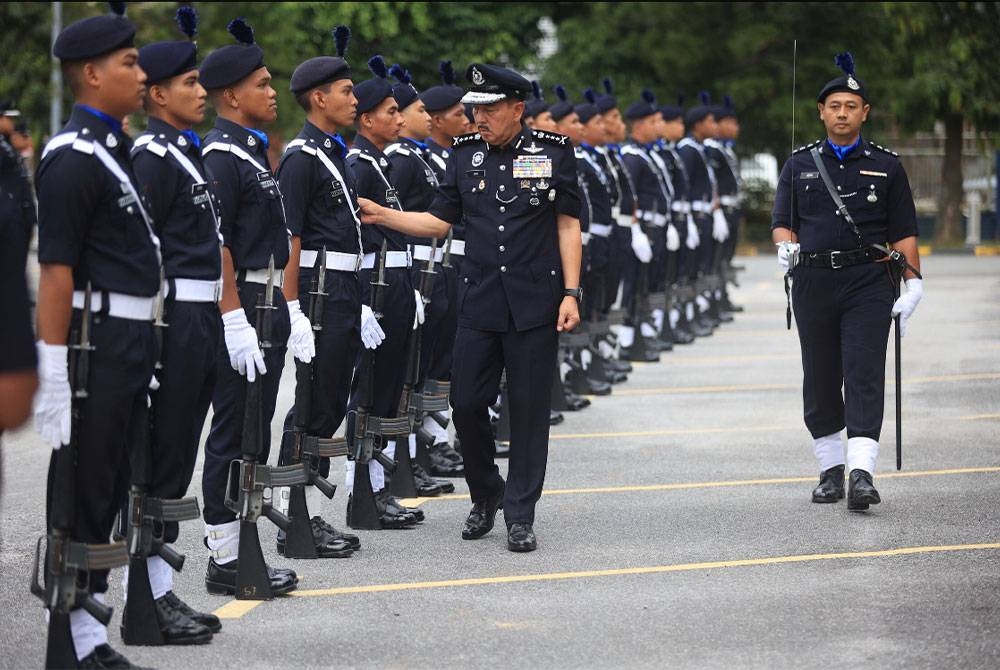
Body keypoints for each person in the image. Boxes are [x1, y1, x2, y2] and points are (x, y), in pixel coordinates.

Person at [358, 63, 582, 553]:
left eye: (490, 108)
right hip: (479, 301)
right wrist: (382, 214)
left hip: (534, 303)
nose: (479, 117)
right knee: (465, 403)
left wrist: (572, 292)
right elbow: (439, 222)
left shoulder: (552, 153)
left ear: (518, 109)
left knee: (526, 412)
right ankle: (487, 493)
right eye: (474, 109)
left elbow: (567, 225)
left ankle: (520, 512)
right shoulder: (464, 157)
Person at [34, 5, 158, 666]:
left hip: (128, 340)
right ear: (91, 74)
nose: (141, 74)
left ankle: (88, 631)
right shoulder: (73, 156)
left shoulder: (116, 147)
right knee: (85, 488)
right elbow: (56, 270)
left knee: (110, 485)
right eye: (129, 64)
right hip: (97, 343)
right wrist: (51, 366)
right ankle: (73, 635)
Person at [771, 52, 922, 511]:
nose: (842, 113)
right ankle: (829, 470)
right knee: (819, 379)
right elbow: (783, 222)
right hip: (814, 280)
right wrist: (785, 246)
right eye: (834, 105)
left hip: (869, 282)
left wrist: (914, 284)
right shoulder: (798, 165)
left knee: (863, 375)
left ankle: (862, 474)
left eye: (851, 106)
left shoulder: (887, 165)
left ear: (864, 113)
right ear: (821, 111)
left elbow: (904, 232)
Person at [129, 5, 223, 640]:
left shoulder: (181, 153)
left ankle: (161, 590)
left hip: (201, 314)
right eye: (190, 83)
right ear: (157, 93)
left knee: (178, 452)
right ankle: (147, 596)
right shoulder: (152, 157)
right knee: (159, 459)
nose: (201, 92)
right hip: (173, 320)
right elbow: (144, 253)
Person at [197, 17, 298, 596]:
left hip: (266, 304)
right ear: (232, 95)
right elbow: (220, 244)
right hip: (243, 308)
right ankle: (225, 555)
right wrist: (233, 315)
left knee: (253, 424)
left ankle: (243, 543)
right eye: (261, 83)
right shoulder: (221, 156)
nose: (270, 92)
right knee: (232, 429)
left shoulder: (250, 153)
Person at [274, 24, 370, 554]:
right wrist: (293, 310)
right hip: (319, 292)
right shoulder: (301, 158)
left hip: (344, 287)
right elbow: (291, 238)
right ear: (319, 98)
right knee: (310, 402)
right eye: (347, 91)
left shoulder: (330, 152)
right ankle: (296, 517)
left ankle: (304, 508)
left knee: (331, 398)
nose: (353, 100)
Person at [343, 55, 420, 530]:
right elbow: (352, 237)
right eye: (390, 111)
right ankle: (363, 489)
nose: (399, 118)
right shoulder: (358, 164)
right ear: (368, 118)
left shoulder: (377, 162)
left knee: (388, 389)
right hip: (373, 282)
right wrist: (363, 302)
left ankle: (377, 486)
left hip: (394, 280)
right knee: (369, 390)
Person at [418, 60, 471, 473]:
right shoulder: (418, 161)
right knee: (427, 363)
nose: (467, 120)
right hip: (429, 268)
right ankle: (427, 442)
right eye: (458, 114)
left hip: (454, 263)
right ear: (437, 120)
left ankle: (436, 437)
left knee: (446, 360)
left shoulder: (450, 158)